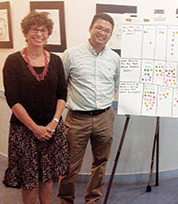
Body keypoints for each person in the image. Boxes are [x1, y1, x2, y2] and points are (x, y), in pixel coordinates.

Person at [2, 11, 69, 204]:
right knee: (29, 179)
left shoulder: (56, 61)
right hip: (24, 131)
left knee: (47, 175)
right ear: (26, 32)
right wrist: (34, 128)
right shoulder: (13, 61)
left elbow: (62, 94)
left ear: (48, 34)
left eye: (43, 30)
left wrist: (54, 123)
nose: (39, 34)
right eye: (34, 29)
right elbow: (13, 99)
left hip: (51, 130)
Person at [58, 13, 120, 204]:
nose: (102, 33)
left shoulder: (114, 58)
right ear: (90, 28)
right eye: (99, 28)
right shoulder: (71, 54)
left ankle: (93, 200)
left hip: (104, 117)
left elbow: (115, 86)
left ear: (111, 35)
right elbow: (62, 85)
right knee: (69, 166)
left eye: (107, 30)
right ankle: (65, 200)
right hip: (77, 118)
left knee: (100, 164)